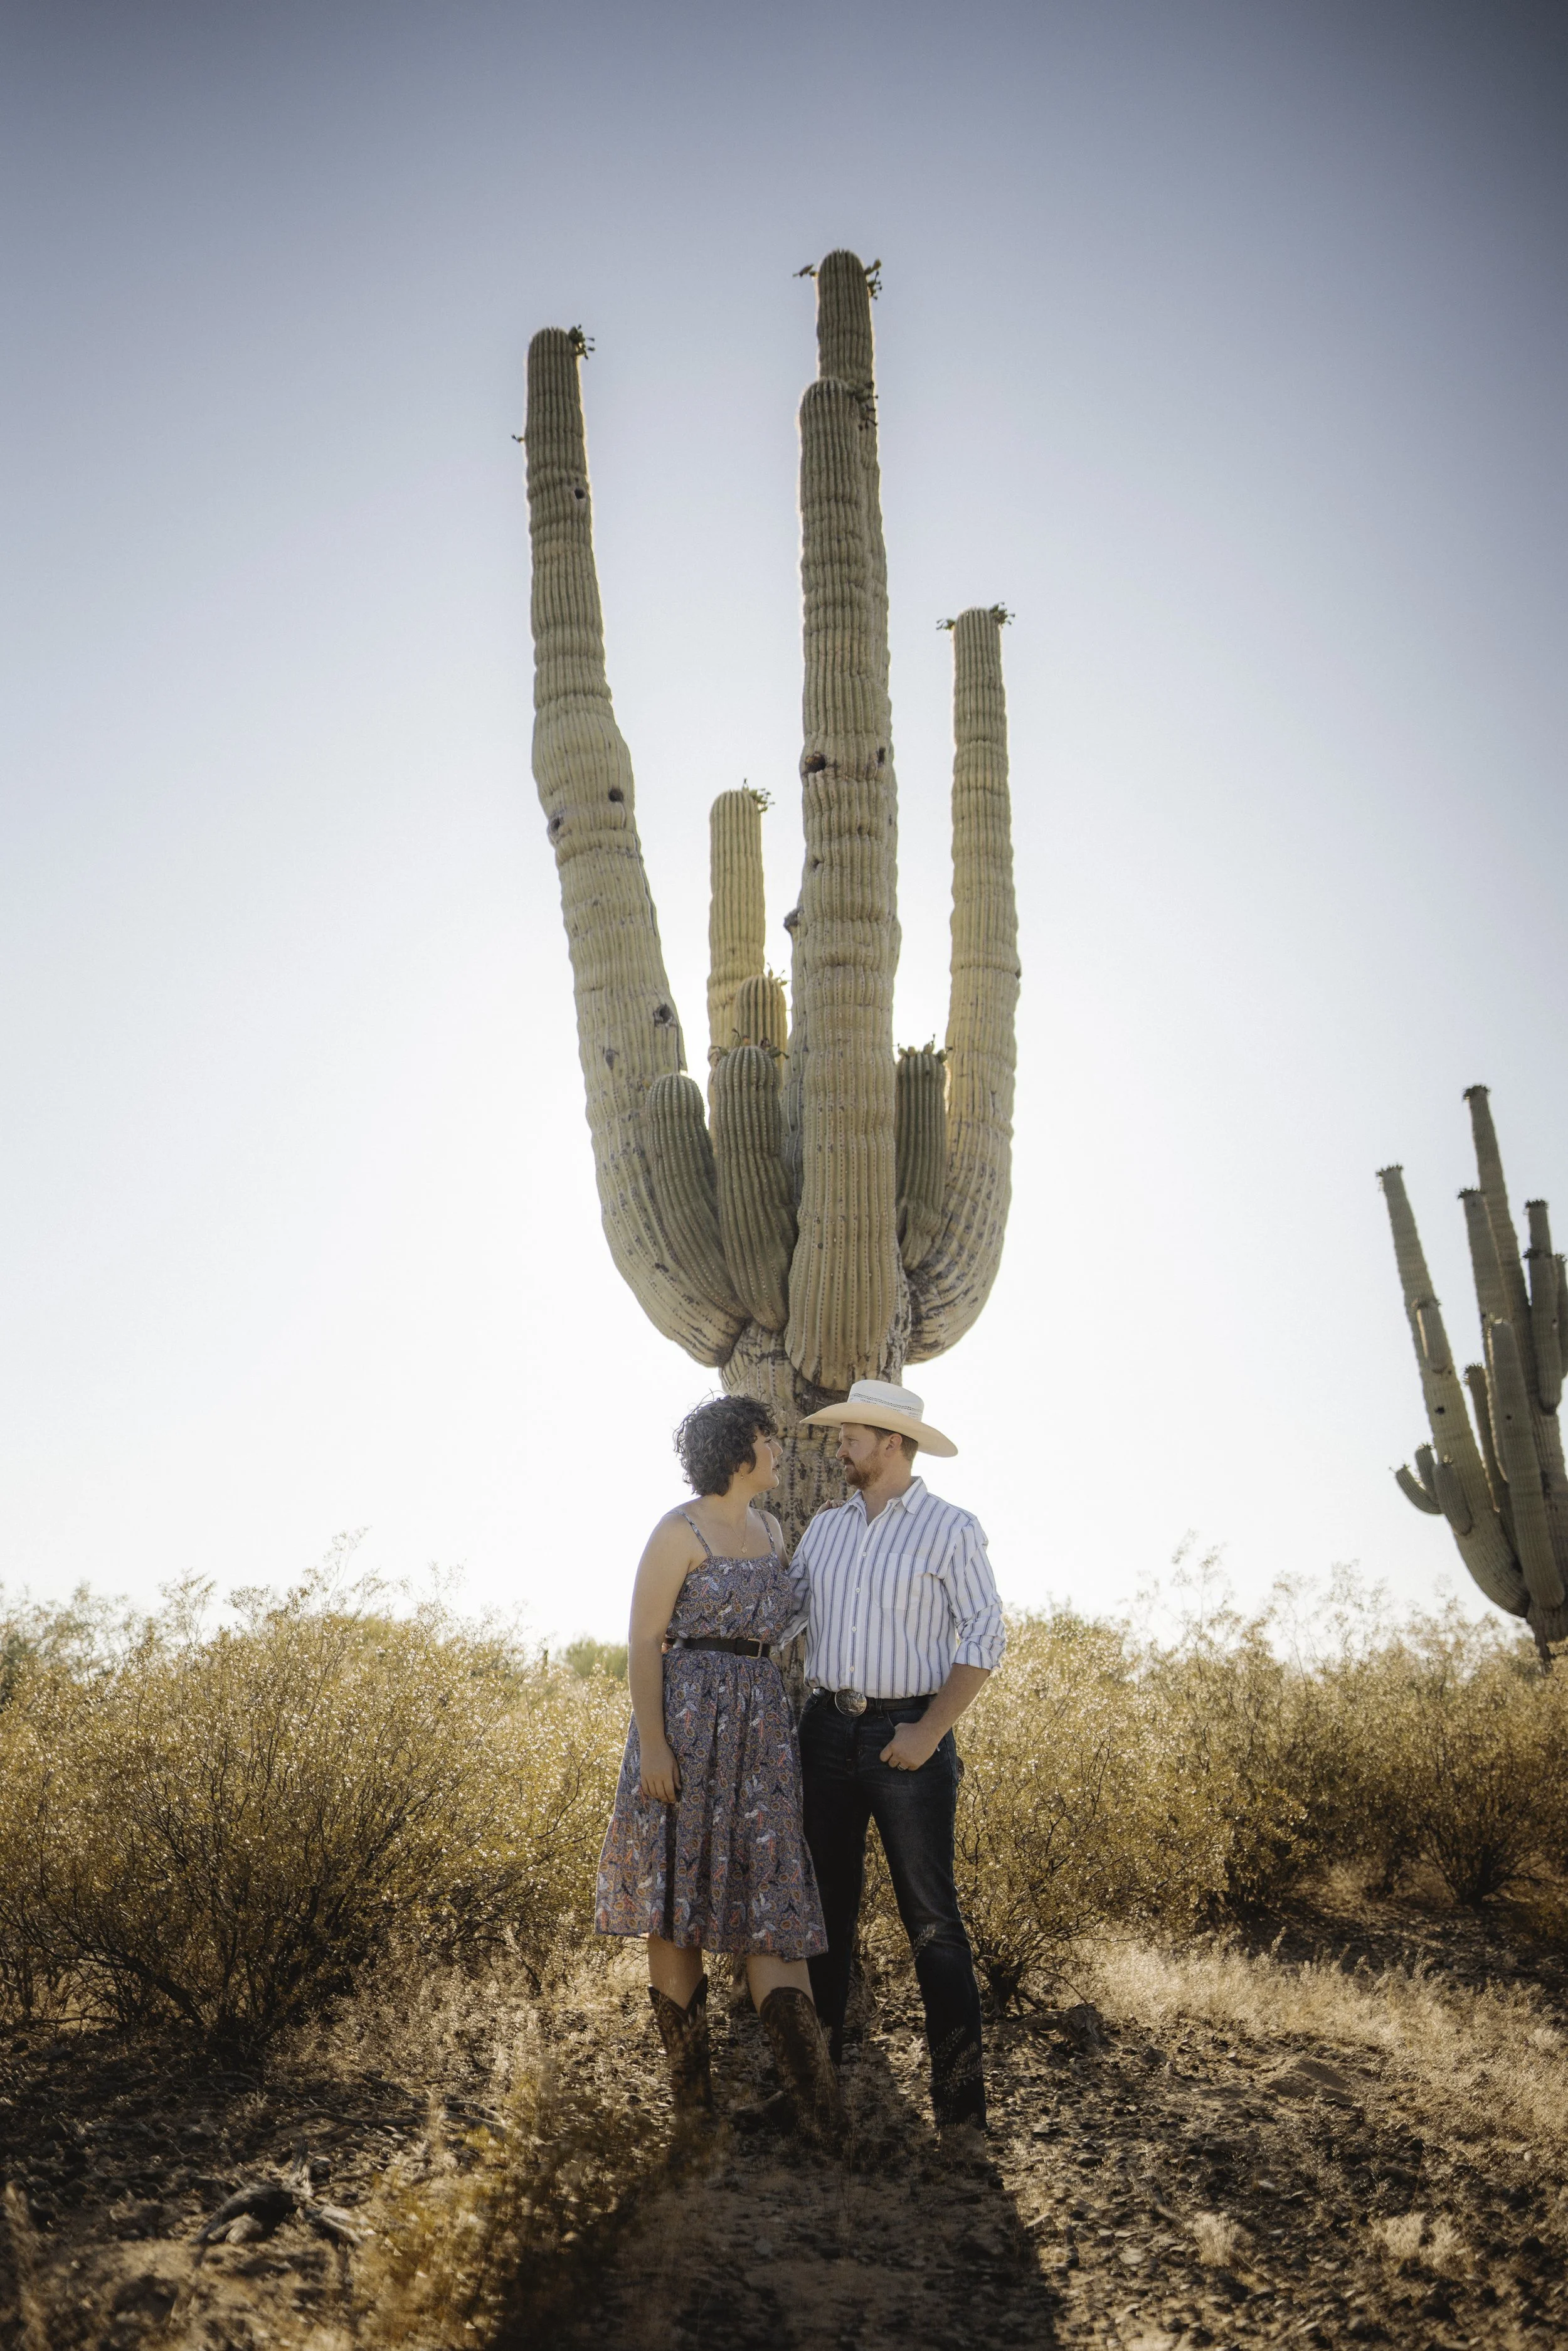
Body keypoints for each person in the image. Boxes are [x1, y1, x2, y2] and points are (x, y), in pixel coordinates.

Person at [595, 1393, 845, 2148]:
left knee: (771, 1902)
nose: (778, 1451)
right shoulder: (679, 1531)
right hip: (686, 1727)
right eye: (768, 1440)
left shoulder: (770, 1529)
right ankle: (693, 2107)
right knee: (678, 1898)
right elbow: (643, 1642)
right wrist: (656, 1746)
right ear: (739, 1452)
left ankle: (820, 2113)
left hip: (762, 1730)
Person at [794, 1378, 1005, 2135]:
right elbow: (785, 1618)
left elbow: (986, 1636)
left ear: (891, 1443)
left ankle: (960, 2113)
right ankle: (818, 2099)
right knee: (821, 1918)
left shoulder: (951, 1528)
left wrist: (929, 1730)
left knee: (933, 1925)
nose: (839, 1442)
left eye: (852, 1433)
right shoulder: (824, 1529)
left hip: (908, 1737)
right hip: (823, 1734)